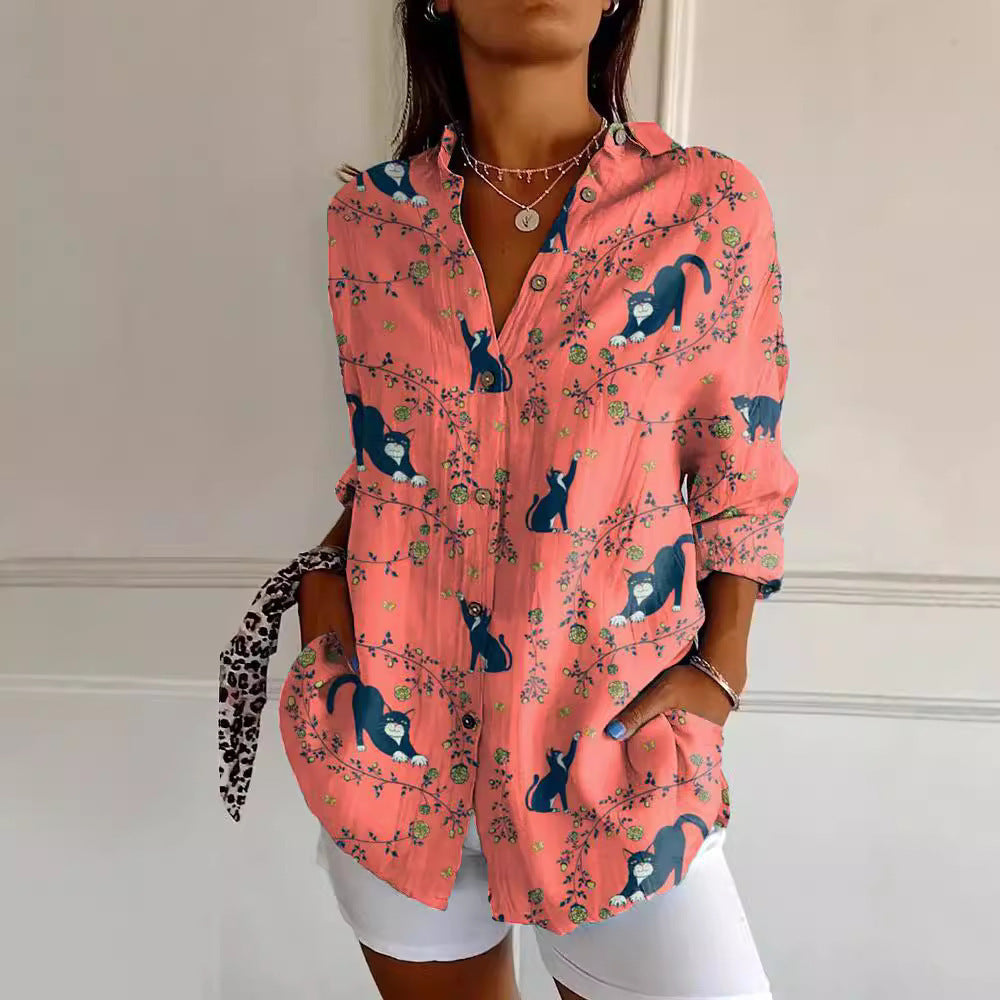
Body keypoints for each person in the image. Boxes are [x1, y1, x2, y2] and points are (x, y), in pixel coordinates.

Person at [219, 1, 798, 998]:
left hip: (613, 759)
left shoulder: (706, 206)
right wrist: (326, 615)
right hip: (397, 756)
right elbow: (390, 462)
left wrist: (724, 666)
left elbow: (739, 470)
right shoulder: (370, 223)